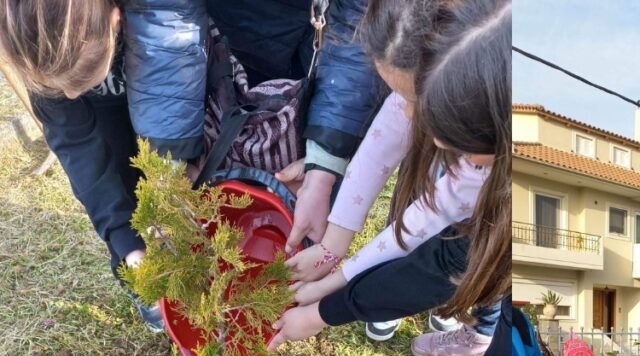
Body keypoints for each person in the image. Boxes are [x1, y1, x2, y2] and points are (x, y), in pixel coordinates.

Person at [0, 0, 378, 331]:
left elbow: (172, 47)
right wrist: (127, 240)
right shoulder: (38, 39)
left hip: (219, 65)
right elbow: (80, 148)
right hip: (156, 103)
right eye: (61, 91)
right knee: (142, 199)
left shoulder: (140, 29)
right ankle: (153, 294)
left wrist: (326, 165)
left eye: (80, 83)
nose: (69, 95)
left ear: (117, 20)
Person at [269, 0, 512, 356]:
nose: (422, 127)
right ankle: (479, 329)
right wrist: (334, 257)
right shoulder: (457, 62)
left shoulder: (491, 177)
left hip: (498, 245)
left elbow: (435, 264)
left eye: (420, 104)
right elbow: (413, 207)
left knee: (504, 295)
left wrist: (325, 311)